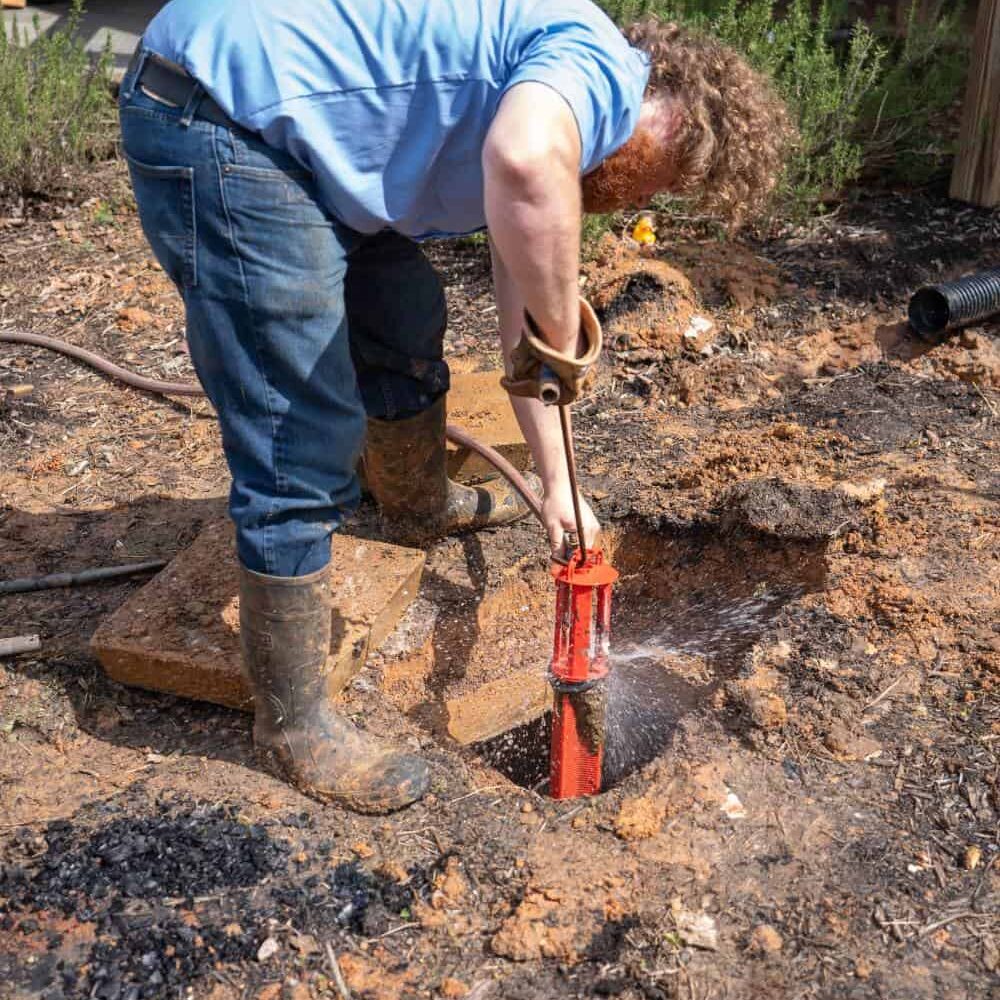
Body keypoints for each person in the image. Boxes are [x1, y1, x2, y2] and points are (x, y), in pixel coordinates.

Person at [119, 0, 790, 813]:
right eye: (667, 180)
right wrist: (562, 318)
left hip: (294, 139)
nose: (646, 199)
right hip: (222, 119)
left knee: (402, 317)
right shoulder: (600, 72)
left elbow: (523, 334)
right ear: (672, 121)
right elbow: (523, 161)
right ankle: (295, 723)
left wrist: (558, 486)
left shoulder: (553, 94)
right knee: (301, 428)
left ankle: (415, 503)